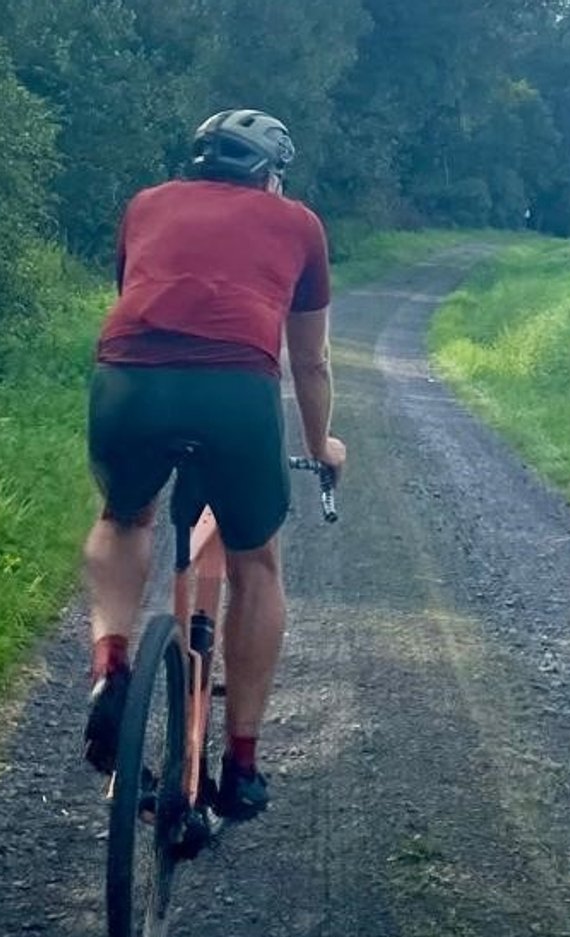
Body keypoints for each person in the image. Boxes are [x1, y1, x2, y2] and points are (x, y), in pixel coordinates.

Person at [81, 108, 347, 823]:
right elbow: (311, 360)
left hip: (128, 374)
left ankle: (110, 661)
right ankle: (243, 762)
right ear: (269, 172)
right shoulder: (297, 224)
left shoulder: (145, 205)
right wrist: (321, 445)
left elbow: (135, 292)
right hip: (234, 388)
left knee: (124, 515)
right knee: (256, 559)